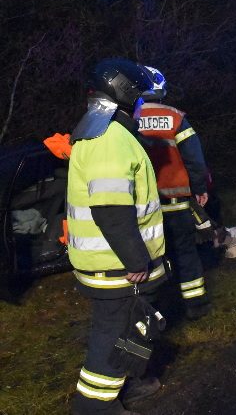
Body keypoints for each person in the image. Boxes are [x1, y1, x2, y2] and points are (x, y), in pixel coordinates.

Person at [67, 58, 166, 414]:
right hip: (117, 265)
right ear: (126, 95)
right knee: (110, 337)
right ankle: (94, 408)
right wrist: (136, 259)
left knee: (128, 331)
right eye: (141, 99)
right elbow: (110, 208)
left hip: (113, 262)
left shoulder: (104, 130)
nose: (143, 107)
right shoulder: (108, 137)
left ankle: (130, 385)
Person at [136, 66, 211, 320]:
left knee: (150, 258)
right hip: (177, 202)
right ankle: (195, 305)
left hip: (143, 206)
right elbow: (194, 159)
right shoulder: (176, 117)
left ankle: (156, 310)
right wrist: (199, 188)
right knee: (185, 252)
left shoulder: (124, 119)